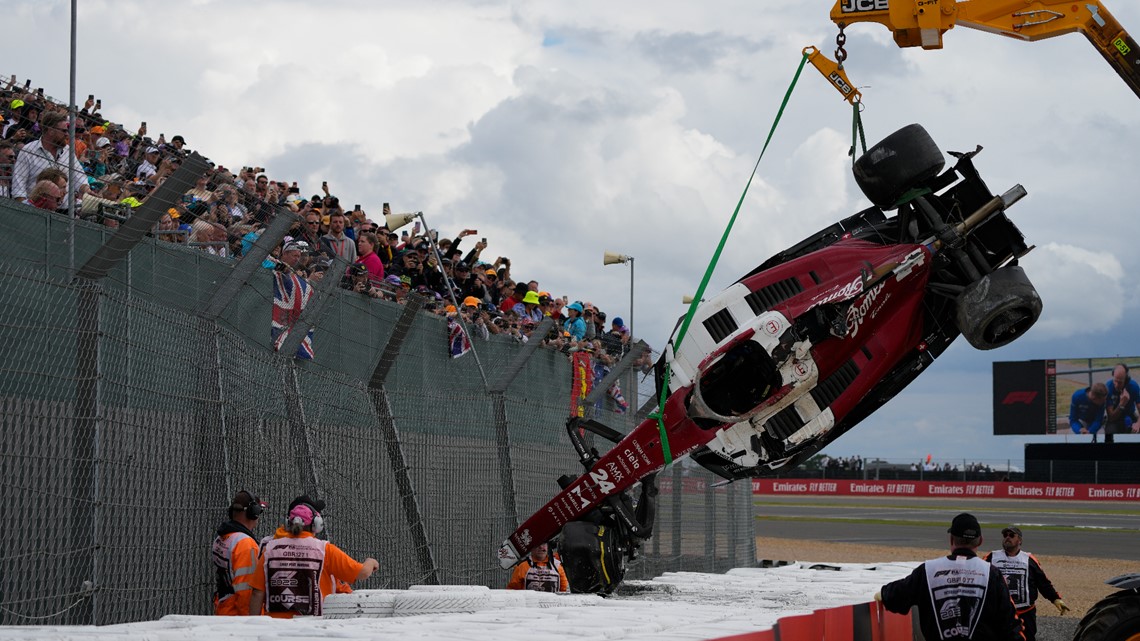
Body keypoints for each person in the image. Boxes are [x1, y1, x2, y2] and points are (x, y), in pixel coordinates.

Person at [876, 513, 1022, 641]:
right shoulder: (992, 574)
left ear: (951, 540)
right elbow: (1010, 624)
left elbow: (895, 596)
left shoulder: (927, 570)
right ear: (980, 541)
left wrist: (883, 593)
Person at [248, 496, 378, 618]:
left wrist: (255, 625)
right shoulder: (324, 550)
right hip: (312, 629)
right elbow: (363, 573)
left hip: (275, 630)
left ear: (288, 523)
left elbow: (257, 593)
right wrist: (370, 561)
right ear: (317, 524)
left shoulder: (269, 549)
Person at [984, 526, 1068, 641]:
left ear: (1020, 540)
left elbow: (1043, 582)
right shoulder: (991, 557)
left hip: (1025, 614)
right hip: (1000, 614)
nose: (1007, 538)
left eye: (1011, 535)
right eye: (1005, 535)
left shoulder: (1029, 559)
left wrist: (1055, 599)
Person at [210, 490, 265, 616]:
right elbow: (246, 592)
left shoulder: (222, 537)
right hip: (237, 616)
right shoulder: (246, 545)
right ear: (253, 513)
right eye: (259, 511)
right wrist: (250, 622)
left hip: (224, 608)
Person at [1104, 364, 1139, 443]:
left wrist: (1138, 423)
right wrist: (1122, 404)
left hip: (1130, 415)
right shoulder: (1108, 387)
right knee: (1109, 434)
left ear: (1126, 380)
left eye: (1119, 382)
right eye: (1115, 380)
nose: (1116, 384)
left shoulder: (1133, 386)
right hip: (1115, 418)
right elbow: (1111, 418)